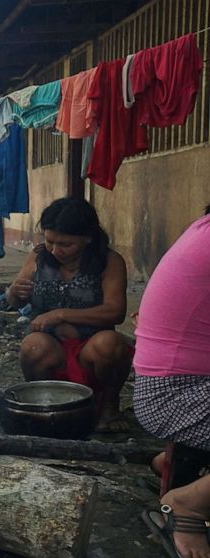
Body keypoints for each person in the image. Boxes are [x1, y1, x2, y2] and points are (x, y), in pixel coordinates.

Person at [5, 197, 133, 432]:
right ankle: (45, 405)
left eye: (66, 244)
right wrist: (14, 293)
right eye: (50, 241)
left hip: (91, 349)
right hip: (51, 345)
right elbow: (14, 301)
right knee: (33, 345)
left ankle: (108, 407)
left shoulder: (109, 261)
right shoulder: (39, 256)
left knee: (111, 344)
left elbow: (115, 311)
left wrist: (61, 314)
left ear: (88, 238)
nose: (56, 250)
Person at [133, 205, 210, 558]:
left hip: (178, 386)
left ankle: (177, 465)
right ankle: (189, 504)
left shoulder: (202, 227)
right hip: (175, 396)